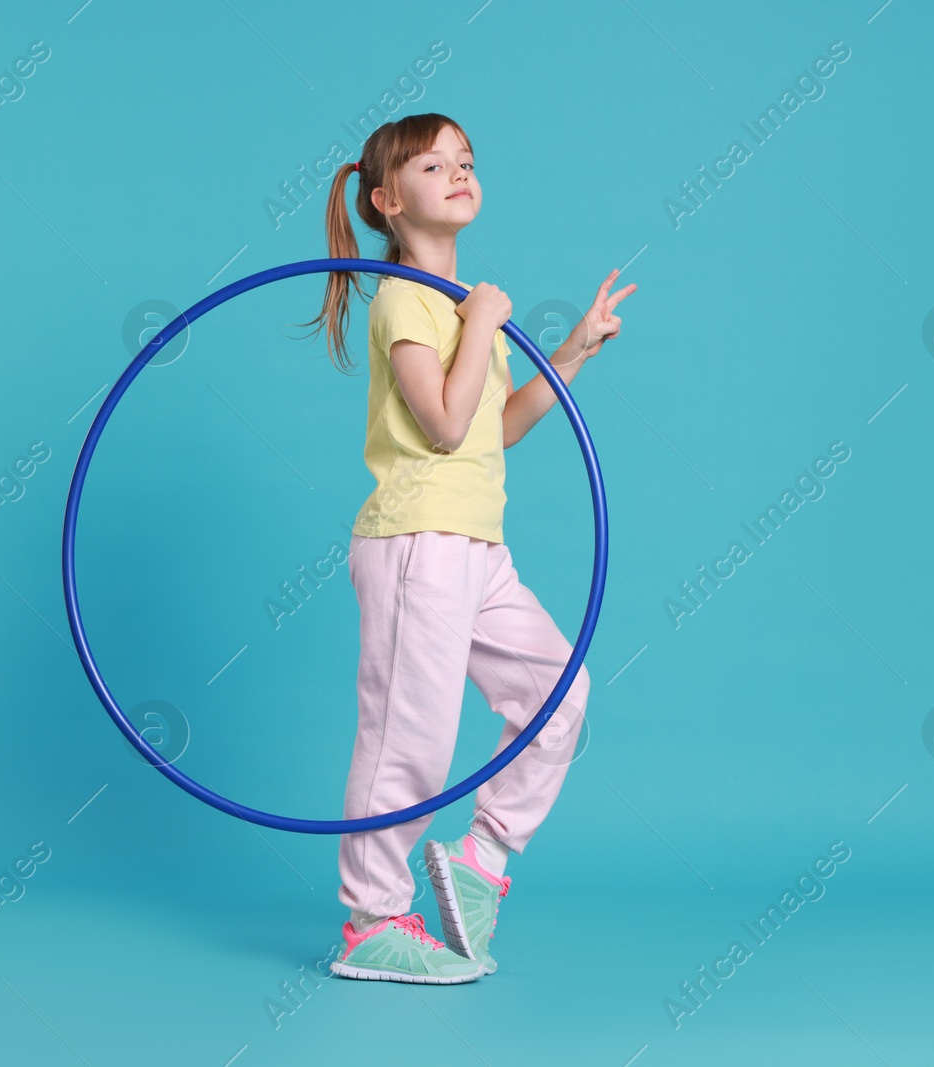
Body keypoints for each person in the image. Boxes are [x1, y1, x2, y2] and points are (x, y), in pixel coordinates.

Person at [297, 112, 636, 983]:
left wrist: (575, 348)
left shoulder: (458, 304)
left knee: (558, 691)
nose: (458, 171)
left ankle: (478, 864)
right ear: (385, 200)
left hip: (477, 547)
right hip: (417, 544)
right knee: (408, 739)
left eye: (467, 160)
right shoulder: (409, 300)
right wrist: (481, 317)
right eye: (432, 164)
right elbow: (444, 427)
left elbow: (498, 425)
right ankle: (371, 920)